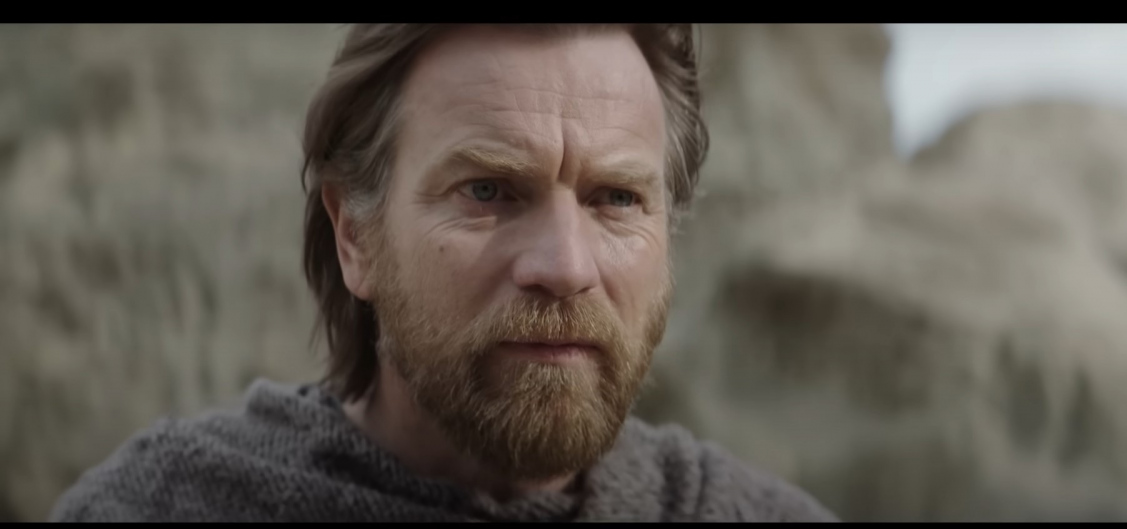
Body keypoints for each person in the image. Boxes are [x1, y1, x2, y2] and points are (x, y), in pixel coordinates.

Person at [49, 23, 838, 522]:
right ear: (354, 234)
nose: (565, 266)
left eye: (616, 198)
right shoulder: (162, 506)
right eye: (488, 191)